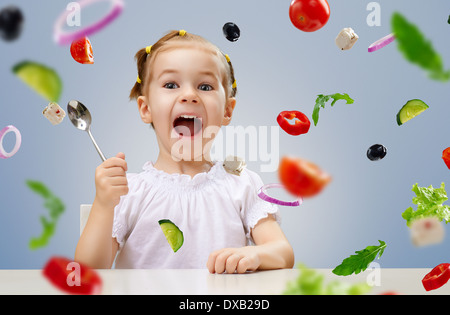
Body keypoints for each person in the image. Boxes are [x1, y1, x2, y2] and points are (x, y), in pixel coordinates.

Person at [75, 30, 294, 273]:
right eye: (171, 85)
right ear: (146, 108)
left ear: (227, 111)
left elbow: (282, 253)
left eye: (205, 86)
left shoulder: (242, 185)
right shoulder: (127, 192)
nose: (189, 95)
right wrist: (104, 204)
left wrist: (255, 254)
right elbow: (88, 270)